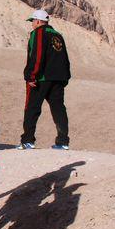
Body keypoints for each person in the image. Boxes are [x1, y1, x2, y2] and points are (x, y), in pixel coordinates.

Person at [19, 9, 71, 150]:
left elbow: (37, 55)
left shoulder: (39, 33)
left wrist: (31, 75)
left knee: (32, 108)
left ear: (37, 21)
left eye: (32, 22)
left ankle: (28, 140)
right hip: (58, 78)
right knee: (59, 109)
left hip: (41, 78)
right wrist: (65, 77)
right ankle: (63, 141)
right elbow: (65, 58)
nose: (32, 25)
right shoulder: (58, 35)